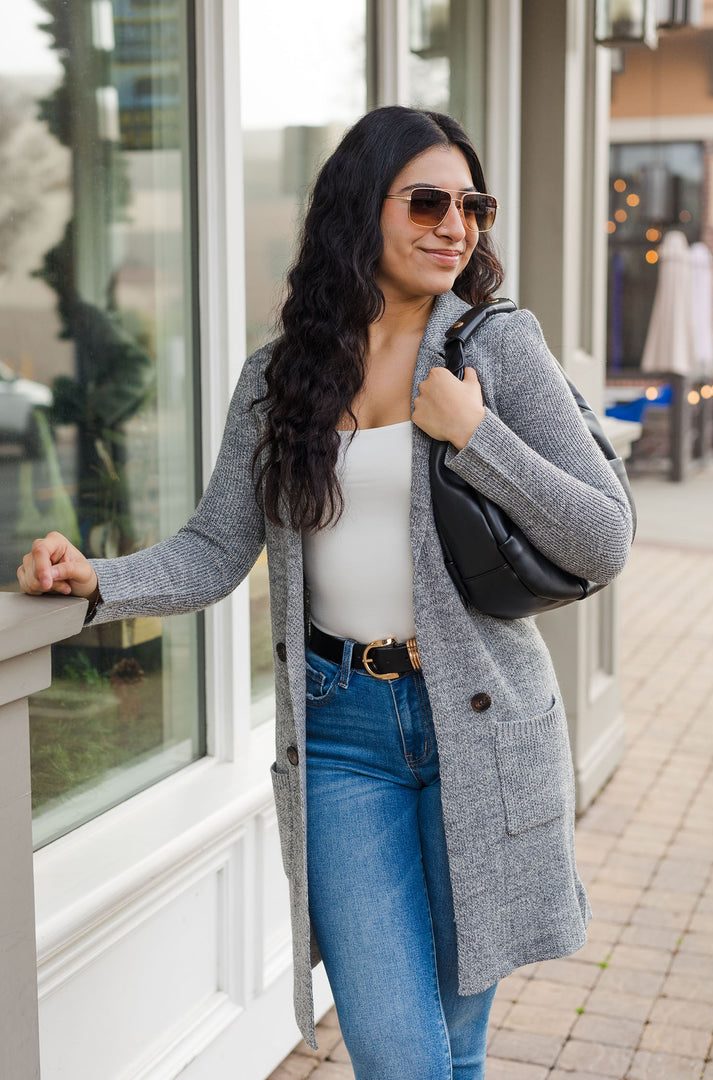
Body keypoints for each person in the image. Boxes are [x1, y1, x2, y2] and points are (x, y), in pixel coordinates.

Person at [18, 106, 634, 1080]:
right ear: (360, 211)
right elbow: (216, 549)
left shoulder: (497, 348)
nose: (456, 225)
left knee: (455, 1049)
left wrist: (476, 435)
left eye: (472, 204)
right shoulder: (279, 380)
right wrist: (99, 581)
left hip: (480, 721)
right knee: (400, 1057)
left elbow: (605, 536)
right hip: (343, 733)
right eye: (427, 200)